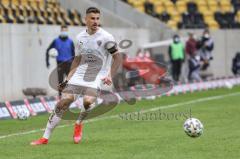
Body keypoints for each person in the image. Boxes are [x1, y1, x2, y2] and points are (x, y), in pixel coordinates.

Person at [31, 7, 122, 145]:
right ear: (85, 19)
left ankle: (79, 123)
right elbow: (77, 60)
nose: (95, 21)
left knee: (87, 101)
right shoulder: (80, 38)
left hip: (97, 75)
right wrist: (67, 79)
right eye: (92, 18)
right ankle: (45, 137)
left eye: (97, 18)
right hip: (79, 74)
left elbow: (117, 58)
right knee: (63, 103)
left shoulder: (106, 37)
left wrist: (110, 75)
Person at [46, 25, 75, 96]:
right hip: (60, 63)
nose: (64, 32)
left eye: (65, 30)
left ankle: (69, 95)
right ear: (61, 31)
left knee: (69, 80)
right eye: (63, 30)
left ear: (67, 31)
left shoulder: (70, 42)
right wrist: (47, 61)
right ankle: (60, 95)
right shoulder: (56, 41)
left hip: (69, 63)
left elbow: (73, 53)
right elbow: (48, 50)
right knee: (60, 80)